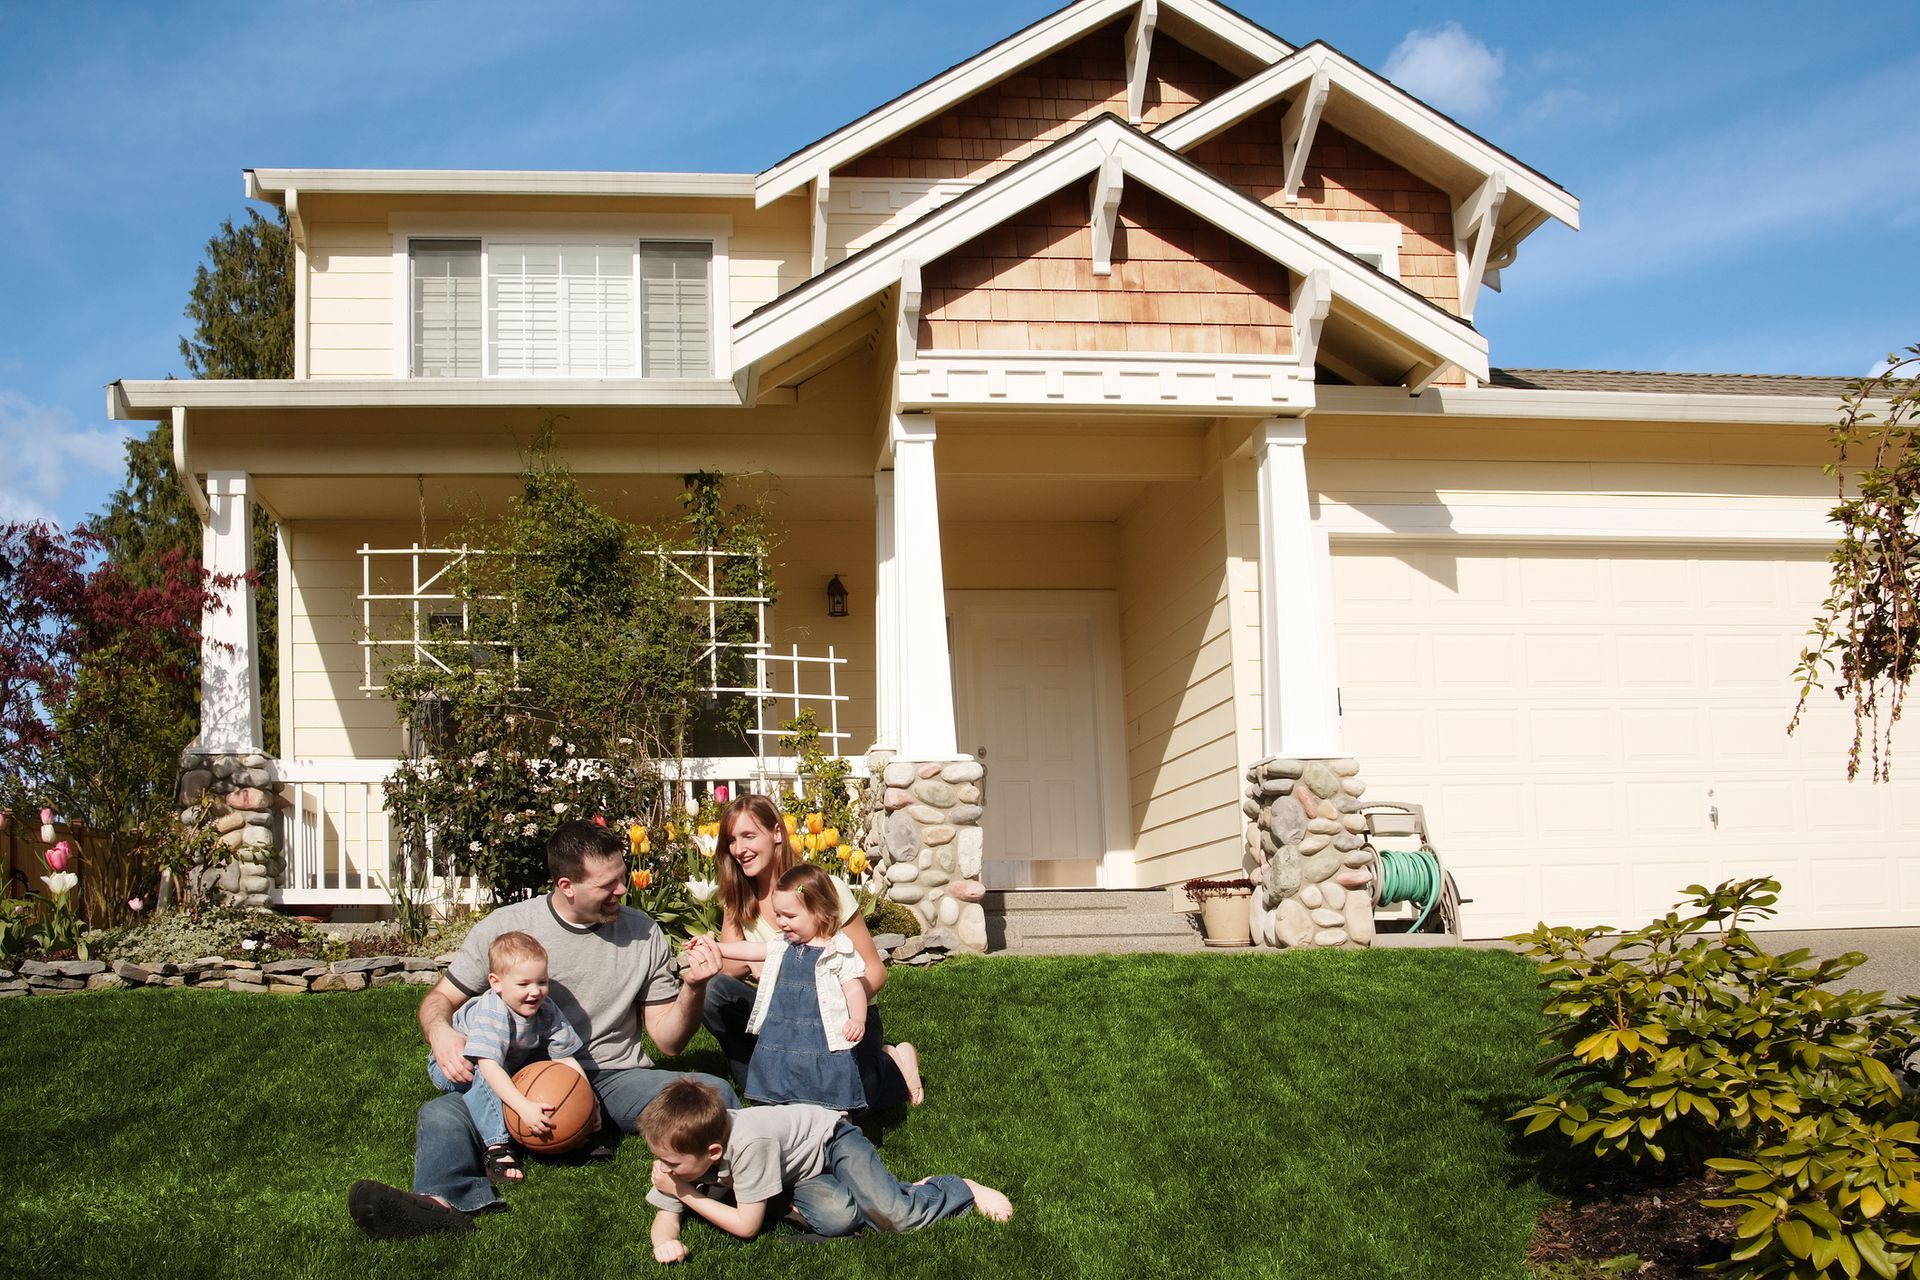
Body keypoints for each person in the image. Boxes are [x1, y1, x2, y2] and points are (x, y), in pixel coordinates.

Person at [348, 820, 736, 1238]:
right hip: (518, 1079)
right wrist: (441, 1032)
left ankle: (732, 1188)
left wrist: (693, 988)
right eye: (608, 884)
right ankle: (441, 1206)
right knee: (441, 1113)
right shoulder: (507, 929)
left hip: (612, 1075)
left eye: (623, 877)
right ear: (567, 885)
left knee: (710, 1092)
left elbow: (668, 1042)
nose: (622, 890)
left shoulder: (643, 932)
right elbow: (439, 1000)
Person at [703, 795, 922, 1110]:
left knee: (855, 1098)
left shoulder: (823, 889)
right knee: (716, 993)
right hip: (786, 1020)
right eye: (731, 841)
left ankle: (893, 1064)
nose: (739, 849)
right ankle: (764, 1088)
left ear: (777, 833)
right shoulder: (741, 898)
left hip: (842, 1014)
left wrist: (836, 1005)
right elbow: (729, 970)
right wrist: (732, 908)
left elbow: (876, 970)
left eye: (749, 836)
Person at [639, 1078, 1010, 1260]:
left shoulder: (750, 1144)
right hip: (796, 1170)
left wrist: (685, 1193)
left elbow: (746, 1228)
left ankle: (956, 1187)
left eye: (671, 1164)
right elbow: (666, 1213)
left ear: (713, 1150)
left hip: (831, 1140)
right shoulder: (685, 1157)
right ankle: (878, 1191)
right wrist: (665, 1241)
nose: (663, 1169)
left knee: (897, 1219)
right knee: (838, 1222)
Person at [696, 864, 888, 1111]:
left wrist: (858, 1019)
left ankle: (837, 1114)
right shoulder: (783, 943)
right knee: (782, 1073)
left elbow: (853, 988)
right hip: (785, 1032)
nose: (782, 922)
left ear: (818, 912)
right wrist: (719, 949)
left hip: (823, 1034)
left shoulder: (837, 950)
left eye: (790, 916)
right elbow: (752, 950)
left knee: (831, 1085)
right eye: (778, 915)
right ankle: (780, 1111)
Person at [424, 930, 587, 1186]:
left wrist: (589, 1105)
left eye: (542, 982)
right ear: (496, 983)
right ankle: (496, 1146)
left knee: (545, 1072)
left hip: (506, 1061)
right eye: (523, 984)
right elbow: (490, 1067)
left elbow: (566, 1059)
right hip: (454, 1067)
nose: (535, 992)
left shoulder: (546, 1009)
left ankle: (577, 1136)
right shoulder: (493, 1010)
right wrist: (523, 1108)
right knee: (484, 1072)